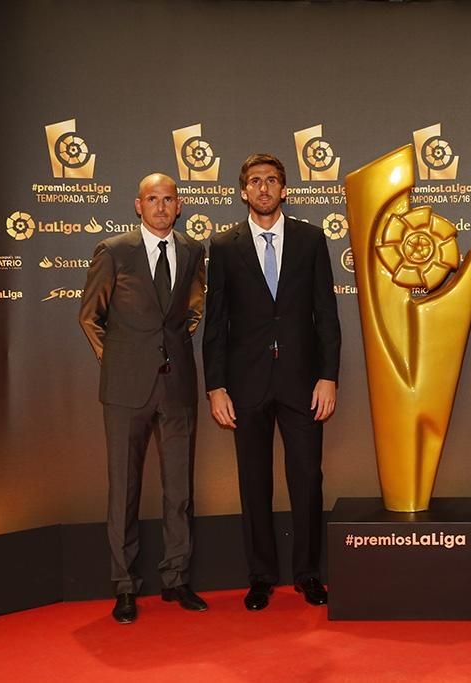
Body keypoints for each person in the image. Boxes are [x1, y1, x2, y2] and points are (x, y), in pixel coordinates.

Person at [203, 153, 341, 611]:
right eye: (255, 181)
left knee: (307, 480)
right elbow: (215, 323)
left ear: (285, 190)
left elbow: (327, 316)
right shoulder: (223, 247)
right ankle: (261, 575)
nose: (264, 188)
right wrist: (216, 386)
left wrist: (328, 377)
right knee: (253, 481)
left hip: (303, 383)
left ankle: (307, 574)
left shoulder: (310, 239)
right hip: (246, 386)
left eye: (272, 181)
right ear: (243, 191)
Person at [79, 173, 208, 624]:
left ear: (179, 205)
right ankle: (125, 585)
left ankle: (176, 577)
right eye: (152, 198)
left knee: (179, 490)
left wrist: (169, 348)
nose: (160, 206)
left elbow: (192, 311)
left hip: (177, 388)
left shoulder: (193, 251)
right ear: (138, 205)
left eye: (168, 198)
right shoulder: (114, 252)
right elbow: (90, 317)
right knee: (124, 489)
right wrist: (116, 361)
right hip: (125, 390)